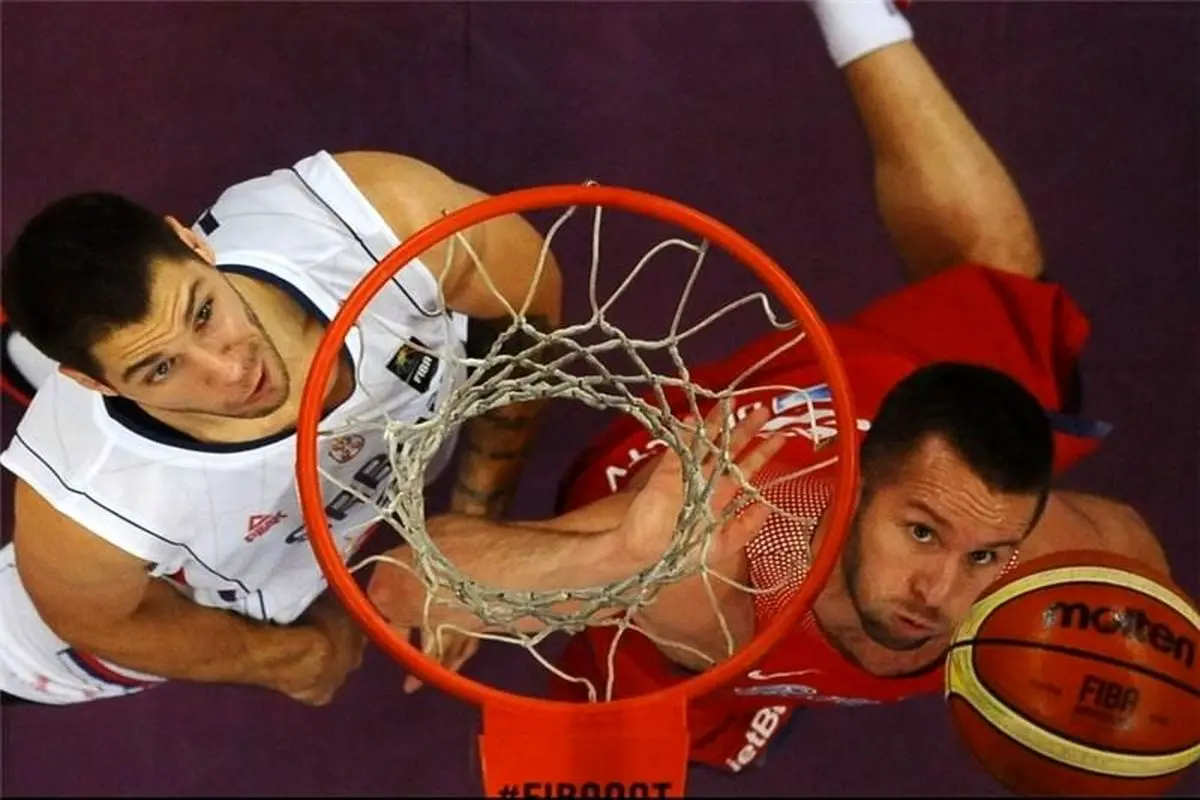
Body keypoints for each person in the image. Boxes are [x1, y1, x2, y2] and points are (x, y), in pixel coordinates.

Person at [363, 0, 1176, 772]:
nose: (940, 593)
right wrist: (622, 555)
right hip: (687, 497)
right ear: (859, 488)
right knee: (616, 736)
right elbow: (405, 581)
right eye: (922, 534)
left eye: (985, 555)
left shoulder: (1086, 562)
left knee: (1000, 285)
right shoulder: (714, 556)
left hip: (869, 384)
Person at [0, 149, 565, 705]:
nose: (231, 372)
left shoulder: (379, 221)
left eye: (203, 313)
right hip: (213, 577)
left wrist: (474, 529)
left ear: (193, 244)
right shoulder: (83, 507)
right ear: (93, 383)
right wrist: (295, 656)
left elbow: (527, 317)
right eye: (161, 367)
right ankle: (55, 373)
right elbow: (96, 621)